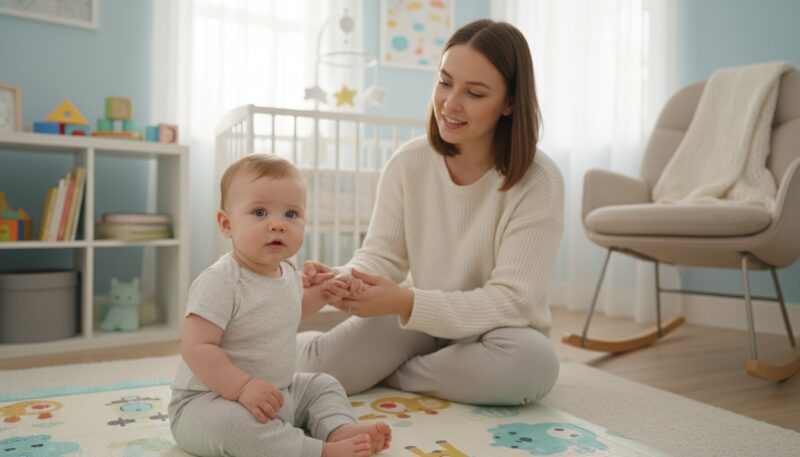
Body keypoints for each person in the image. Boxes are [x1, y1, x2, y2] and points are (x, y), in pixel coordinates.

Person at [299, 19, 564, 406]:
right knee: (318, 365)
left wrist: (407, 303)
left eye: (474, 93)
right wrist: (340, 280)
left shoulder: (539, 181)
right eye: (444, 82)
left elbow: (512, 300)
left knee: (533, 366)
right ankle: (435, 372)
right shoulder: (408, 162)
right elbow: (382, 255)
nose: (450, 103)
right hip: (417, 322)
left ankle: (394, 373)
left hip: (494, 331)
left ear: (510, 103)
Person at [168, 154, 391, 457]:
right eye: (259, 212)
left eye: (291, 214)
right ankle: (318, 451)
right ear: (226, 224)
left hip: (278, 393)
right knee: (235, 427)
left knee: (322, 385)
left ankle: (338, 428)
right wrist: (243, 387)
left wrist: (326, 292)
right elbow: (196, 348)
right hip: (208, 401)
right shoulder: (220, 281)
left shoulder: (287, 273)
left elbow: (291, 309)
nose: (277, 225)